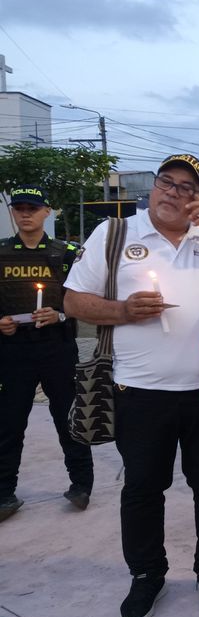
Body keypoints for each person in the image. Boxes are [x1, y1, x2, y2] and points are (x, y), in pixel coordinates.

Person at [64, 153, 199, 617]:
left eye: (186, 188)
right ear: (153, 187)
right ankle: (147, 574)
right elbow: (72, 301)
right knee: (143, 487)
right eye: (166, 182)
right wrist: (123, 311)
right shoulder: (115, 234)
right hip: (139, 390)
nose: (173, 193)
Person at [0, 185, 93, 521]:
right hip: (13, 351)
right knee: (8, 423)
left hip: (57, 348)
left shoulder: (67, 253)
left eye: (33, 208)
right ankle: (4, 493)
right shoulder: (2, 253)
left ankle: (81, 485)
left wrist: (61, 314)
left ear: (46, 212)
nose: (26, 214)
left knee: (69, 418)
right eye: (20, 208)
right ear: (13, 212)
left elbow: (85, 299)